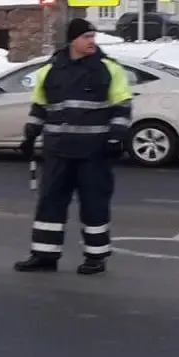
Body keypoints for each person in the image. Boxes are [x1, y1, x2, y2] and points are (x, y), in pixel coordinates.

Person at [14, 17, 133, 275]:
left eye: (93, 37)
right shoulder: (51, 69)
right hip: (57, 151)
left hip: (94, 152)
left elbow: (122, 106)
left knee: (94, 205)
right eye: (86, 37)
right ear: (72, 40)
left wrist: (116, 137)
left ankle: (96, 257)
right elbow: (40, 106)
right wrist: (30, 135)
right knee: (50, 203)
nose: (92, 42)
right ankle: (44, 255)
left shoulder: (109, 69)